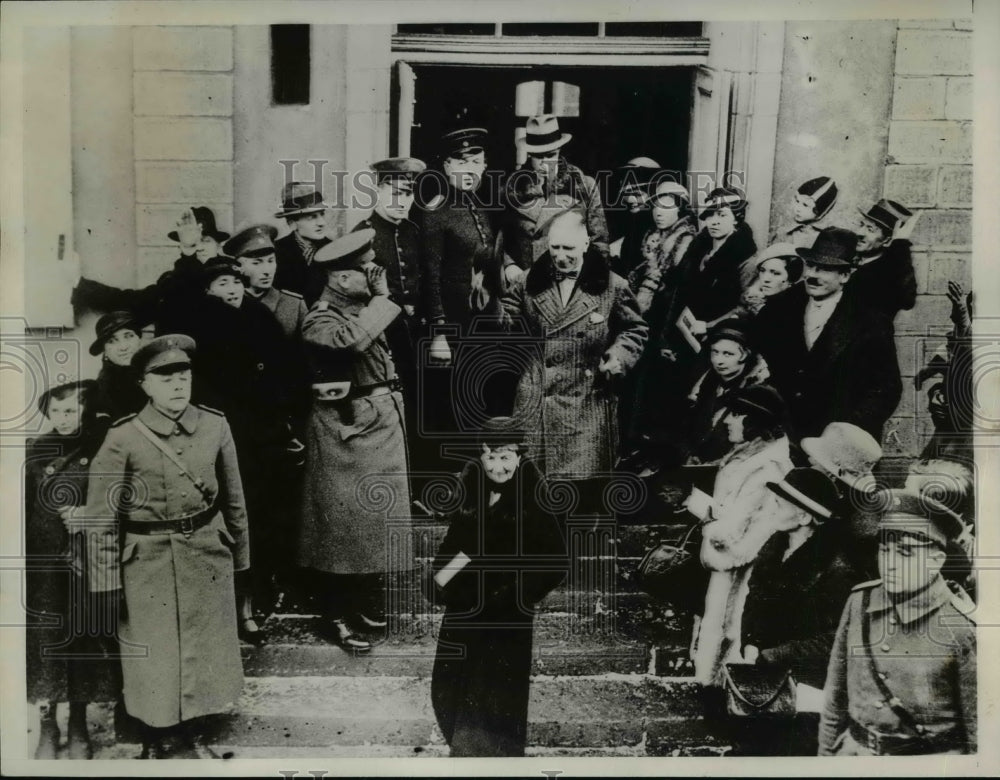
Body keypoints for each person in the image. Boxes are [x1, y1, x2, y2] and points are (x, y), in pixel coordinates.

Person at [71, 335, 249, 758]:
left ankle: (193, 730)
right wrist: (106, 582)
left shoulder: (214, 425)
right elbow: (101, 518)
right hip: (145, 560)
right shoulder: (122, 438)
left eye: (183, 375)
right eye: (164, 376)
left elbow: (235, 498)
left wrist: (243, 562)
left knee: (204, 645)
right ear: (144, 384)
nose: (177, 384)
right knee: (152, 654)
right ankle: (153, 736)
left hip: (206, 551)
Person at [297, 230, 413, 653]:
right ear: (341, 279)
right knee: (340, 528)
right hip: (345, 431)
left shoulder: (361, 307)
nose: (375, 273)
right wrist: (382, 298)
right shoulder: (321, 316)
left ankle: (357, 603)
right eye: (367, 268)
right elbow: (349, 342)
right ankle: (334, 616)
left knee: (370, 523)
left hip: (374, 425)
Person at [427, 417, 567, 756]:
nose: (497, 466)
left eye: (506, 457)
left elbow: (555, 562)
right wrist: (441, 577)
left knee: (494, 702)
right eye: (490, 457)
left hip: (506, 617)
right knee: (446, 689)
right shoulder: (472, 486)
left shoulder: (535, 494)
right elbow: (457, 544)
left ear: (520, 456)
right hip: (463, 607)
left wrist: (513, 596)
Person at [181, 255, 298, 640]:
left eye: (235, 282)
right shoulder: (199, 324)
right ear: (207, 290)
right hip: (225, 435)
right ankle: (232, 608)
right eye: (222, 285)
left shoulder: (259, 316)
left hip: (263, 435)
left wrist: (281, 418)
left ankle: (256, 598)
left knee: (260, 516)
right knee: (231, 518)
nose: (231, 290)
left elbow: (282, 367)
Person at [818, 489, 976, 755]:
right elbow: (834, 696)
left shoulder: (960, 626)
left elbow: (979, 733)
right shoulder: (861, 601)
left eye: (905, 553)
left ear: (935, 562)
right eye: (884, 550)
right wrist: (825, 757)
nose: (889, 564)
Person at [501, 211, 648, 490]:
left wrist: (619, 356)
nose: (559, 255)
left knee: (582, 491)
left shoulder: (612, 286)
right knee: (534, 491)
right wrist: (490, 303)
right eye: (554, 247)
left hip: (587, 403)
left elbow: (635, 330)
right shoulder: (527, 281)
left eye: (568, 248)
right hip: (537, 401)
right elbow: (506, 324)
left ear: (586, 244)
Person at [26, 379, 119, 759]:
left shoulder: (98, 448)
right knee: (46, 641)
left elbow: (116, 500)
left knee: (82, 640)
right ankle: (48, 724)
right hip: (43, 565)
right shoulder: (36, 452)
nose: (64, 419)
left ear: (83, 411)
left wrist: (88, 518)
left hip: (84, 561)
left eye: (71, 410)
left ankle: (79, 721)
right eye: (56, 411)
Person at [752, 227, 902, 443]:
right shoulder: (777, 310)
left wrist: (844, 434)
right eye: (811, 266)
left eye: (824, 269)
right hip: (783, 437)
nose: (812, 275)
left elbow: (885, 390)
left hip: (836, 444)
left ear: (845, 275)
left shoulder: (870, 322)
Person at [691, 384, 794, 685]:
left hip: (742, 570)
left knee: (728, 632)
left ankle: (720, 698)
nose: (727, 420)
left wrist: (693, 503)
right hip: (739, 567)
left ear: (755, 421)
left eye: (736, 413)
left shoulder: (765, 468)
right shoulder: (751, 456)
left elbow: (730, 537)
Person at [71, 207, 230, 334]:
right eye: (192, 242)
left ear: (219, 245)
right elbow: (133, 304)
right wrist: (81, 285)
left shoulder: (233, 278)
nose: (199, 247)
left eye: (205, 241)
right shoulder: (172, 281)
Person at [503, 114, 609, 267]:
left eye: (551, 155)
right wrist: (509, 266)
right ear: (529, 154)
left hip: (570, 278)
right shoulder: (513, 188)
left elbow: (599, 242)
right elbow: (502, 239)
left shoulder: (584, 185)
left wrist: (593, 280)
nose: (545, 163)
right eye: (538, 156)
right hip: (526, 279)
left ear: (560, 151)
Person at [681, 319, 772, 466]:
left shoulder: (758, 394)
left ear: (745, 355)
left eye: (728, 354)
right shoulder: (709, 382)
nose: (718, 360)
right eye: (715, 352)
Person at [228, 224, 308, 339]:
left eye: (271, 261)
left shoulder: (295, 305)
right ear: (239, 267)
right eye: (256, 263)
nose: (267, 271)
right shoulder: (229, 302)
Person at [847, 198, 917, 320]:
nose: (860, 233)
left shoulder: (888, 273)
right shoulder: (846, 257)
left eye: (870, 229)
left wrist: (900, 243)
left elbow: (907, 300)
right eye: (861, 225)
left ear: (887, 240)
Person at [273, 181, 333, 305]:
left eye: (322, 214)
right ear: (292, 223)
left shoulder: (335, 249)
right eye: (312, 217)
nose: (321, 222)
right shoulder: (276, 252)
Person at [88, 311, 147, 423]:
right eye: (112, 341)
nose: (123, 347)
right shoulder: (101, 392)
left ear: (139, 339)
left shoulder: (157, 372)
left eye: (128, 336)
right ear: (104, 351)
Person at [609, 156, 661, 279]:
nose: (631, 199)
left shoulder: (662, 228)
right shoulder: (630, 228)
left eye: (637, 194)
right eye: (627, 194)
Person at [772, 176, 839, 249]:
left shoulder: (826, 239)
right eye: (797, 201)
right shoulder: (784, 233)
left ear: (820, 211)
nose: (797, 208)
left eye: (805, 205)